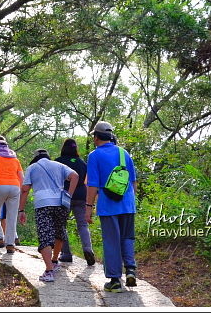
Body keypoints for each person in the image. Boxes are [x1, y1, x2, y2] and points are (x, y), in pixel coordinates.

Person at [85, 121, 138, 293]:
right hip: (128, 204)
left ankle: (115, 280)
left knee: (111, 241)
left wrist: (88, 208)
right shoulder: (124, 153)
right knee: (127, 237)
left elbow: (92, 185)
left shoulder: (94, 156)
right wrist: (130, 200)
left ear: (96, 137)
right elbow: (134, 182)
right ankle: (130, 269)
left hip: (108, 205)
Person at [18, 148, 78, 282]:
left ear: (35, 158)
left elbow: (25, 190)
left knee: (45, 235)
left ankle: (49, 271)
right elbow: (75, 176)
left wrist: (21, 210)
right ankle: (54, 261)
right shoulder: (59, 165)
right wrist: (69, 194)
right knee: (59, 232)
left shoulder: (32, 168)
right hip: (61, 204)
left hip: (43, 204)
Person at [55, 138, 96, 266]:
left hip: (64, 196)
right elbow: (85, 181)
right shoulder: (82, 163)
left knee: (61, 225)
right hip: (81, 196)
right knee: (82, 225)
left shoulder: (58, 162)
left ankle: (66, 254)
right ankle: (88, 249)